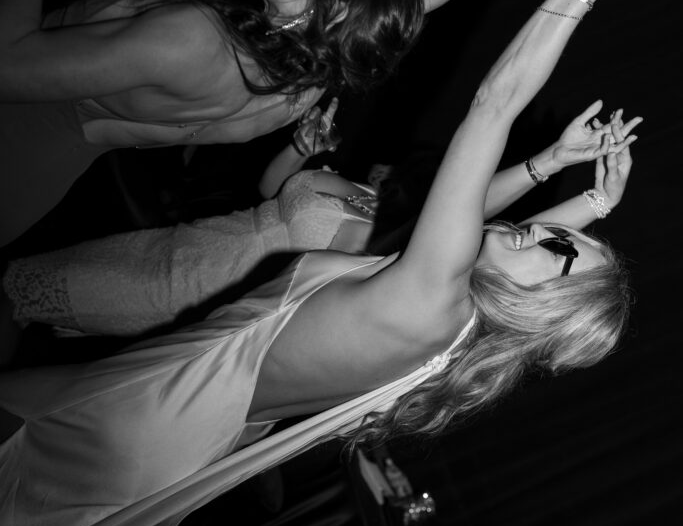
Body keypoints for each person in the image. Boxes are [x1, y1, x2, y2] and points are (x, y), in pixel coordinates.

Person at [0, 0, 644, 526]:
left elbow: (491, 105)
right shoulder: (447, 322)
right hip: (168, 436)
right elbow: (474, 212)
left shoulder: (428, 301)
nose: (555, 232)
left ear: (542, 304)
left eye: (564, 249)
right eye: (572, 236)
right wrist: (588, 199)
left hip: (141, 417)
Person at [0, 0, 610, 246]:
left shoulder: (198, 38)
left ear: (332, 10)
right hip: (38, 182)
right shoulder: (295, 88)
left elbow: (8, 65)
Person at [0, 98, 639, 340]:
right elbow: (268, 195)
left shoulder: (414, 253)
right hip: (182, 244)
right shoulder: (385, 205)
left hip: (184, 298)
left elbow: (496, 239)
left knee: (16, 296)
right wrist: (300, 151)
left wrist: (567, 177)